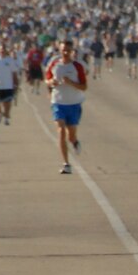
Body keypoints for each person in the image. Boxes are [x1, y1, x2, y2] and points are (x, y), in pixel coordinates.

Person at [45, 40, 88, 175]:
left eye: (68, 50)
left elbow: (84, 87)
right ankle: (66, 164)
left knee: (71, 136)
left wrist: (70, 83)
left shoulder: (77, 66)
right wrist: (51, 82)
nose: (65, 53)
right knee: (61, 131)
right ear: (59, 50)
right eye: (63, 50)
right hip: (58, 102)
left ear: (72, 51)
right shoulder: (54, 64)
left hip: (74, 103)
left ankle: (75, 142)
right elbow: (47, 79)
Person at [0, 44, 19, 126]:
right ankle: (0, 113)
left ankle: (6, 118)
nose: (2, 51)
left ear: (6, 51)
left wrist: (16, 84)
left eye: (4, 49)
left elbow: (14, 73)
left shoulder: (10, 60)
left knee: (7, 102)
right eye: (1, 50)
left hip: (8, 85)